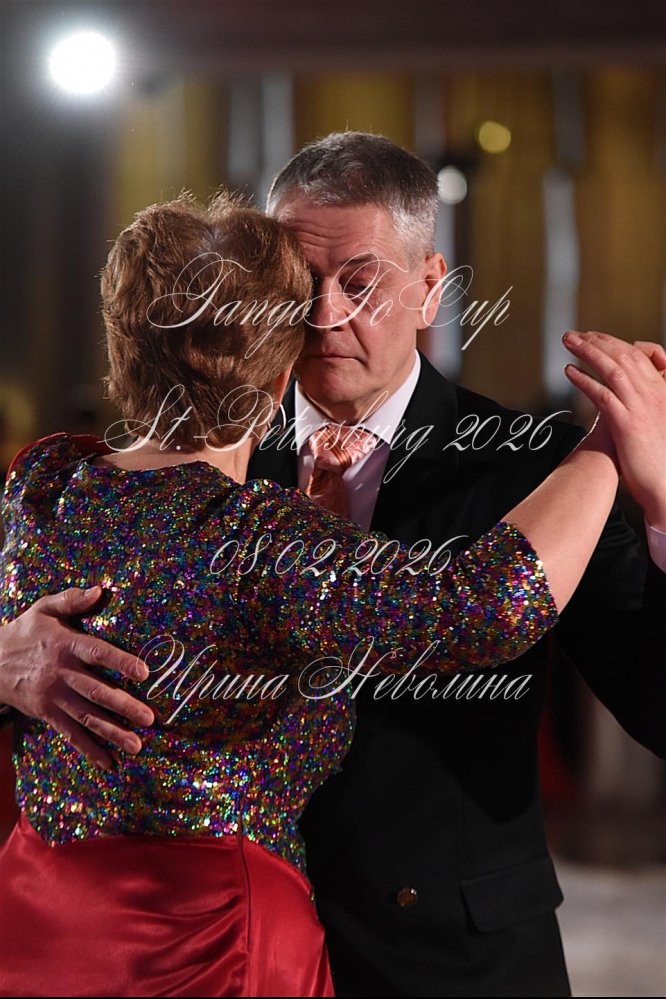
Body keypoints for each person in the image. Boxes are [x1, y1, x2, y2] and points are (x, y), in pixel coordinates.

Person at [1, 134, 664, 997]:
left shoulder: (532, 469)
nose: (321, 315)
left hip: (451, 966)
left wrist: (661, 509)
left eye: (360, 281)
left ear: (431, 287)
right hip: (211, 955)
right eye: (295, 285)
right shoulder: (200, 450)